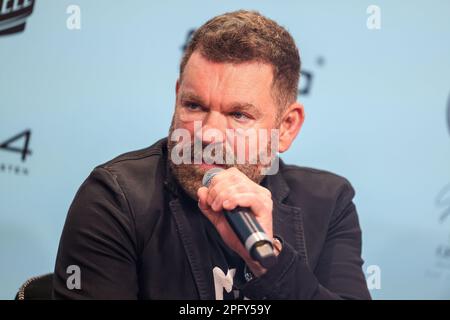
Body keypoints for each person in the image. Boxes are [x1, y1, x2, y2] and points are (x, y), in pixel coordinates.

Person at [53, 10, 371, 300]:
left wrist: (269, 264)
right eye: (194, 106)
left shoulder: (329, 203)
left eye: (238, 115)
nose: (207, 134)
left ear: (286, 127)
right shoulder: (114, 199)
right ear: (177, 95)